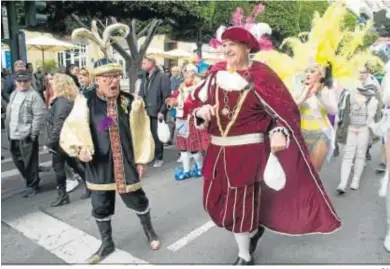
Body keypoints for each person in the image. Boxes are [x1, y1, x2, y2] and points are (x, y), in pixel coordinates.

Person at [188, 8, 341, 265]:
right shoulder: (214, 76)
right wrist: (201, 112)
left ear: (247, 47)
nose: (226, 50)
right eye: (223, 45)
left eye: (232, 45)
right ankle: (251, 231)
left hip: (249, 154)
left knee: (240, 206)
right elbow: (192, 103)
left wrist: (279, 131)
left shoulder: (262, 76)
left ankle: (244, 255)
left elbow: (283, 111)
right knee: (215, 202)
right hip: (216, 155)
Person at [61, 22, 161, 263]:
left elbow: (142, 131)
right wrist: (79, 149)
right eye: (107, 78)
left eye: (116, 77)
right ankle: (107, 243)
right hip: (99, 163)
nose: (113, 82)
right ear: (97, 81)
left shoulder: (130, 101)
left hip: (125, 161)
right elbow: (72, 127)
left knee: (138, 200)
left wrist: (142, 158)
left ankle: (149, 231)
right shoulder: (84, 100)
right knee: (100, 205)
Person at [336, 64, 381, 193]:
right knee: (348, 154)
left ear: (368, 74)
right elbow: (342, 108)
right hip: (351, 126)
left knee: (360, 154)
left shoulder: (373, 89)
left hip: (364, 127)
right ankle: (343, 183)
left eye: (364, 72)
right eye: (359, 72)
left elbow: (378, 110)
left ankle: (355, 180)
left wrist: (373, 125)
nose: (361, 74)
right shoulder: (349, 88)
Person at [46, 73, 88, 206]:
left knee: (58, 167)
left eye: (53, 80)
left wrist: (50, 143)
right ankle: (90, 186)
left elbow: (59, 124)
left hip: (60, 141)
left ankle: (63, 195)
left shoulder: (62, 102)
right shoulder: (66, 100)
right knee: (74, 164)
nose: (51, 83)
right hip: (63, 139)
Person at [5, 70, 45, 197]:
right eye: (19, 81)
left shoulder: (34, 96)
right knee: (18, 161)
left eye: (25, 81)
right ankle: (31, 181)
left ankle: (33, 185)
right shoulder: (14, 94)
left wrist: (33, 134)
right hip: (13, 134)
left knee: (30, 162)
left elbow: (39, 116)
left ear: (29, 81)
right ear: (15, 82)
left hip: (26, 134)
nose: (22, 83)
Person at [166, 64, 209, 180]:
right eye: (184, 71)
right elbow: (175, 97)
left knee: (194, 146)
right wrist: (171, 101)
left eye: (188, 71)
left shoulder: (199, 86)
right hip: (181, 118)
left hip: (192, 118)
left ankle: (200, 167)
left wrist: (178, 104)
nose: (185, 73)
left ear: (194, 73)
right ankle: (186, 170)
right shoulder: (181, 86)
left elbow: (196, 103)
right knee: (183, 147)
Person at [139, 56, 171, 167]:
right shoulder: (144, 77)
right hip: (145, 111)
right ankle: (151, 155)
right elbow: (142, 93)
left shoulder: (162, 77)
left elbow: (167, 97)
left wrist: (162, 111)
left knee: (157, 135)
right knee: (148, 135)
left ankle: (159, 157)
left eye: (144, 63)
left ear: (151, 63)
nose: (142, 65)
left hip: (157, 111)